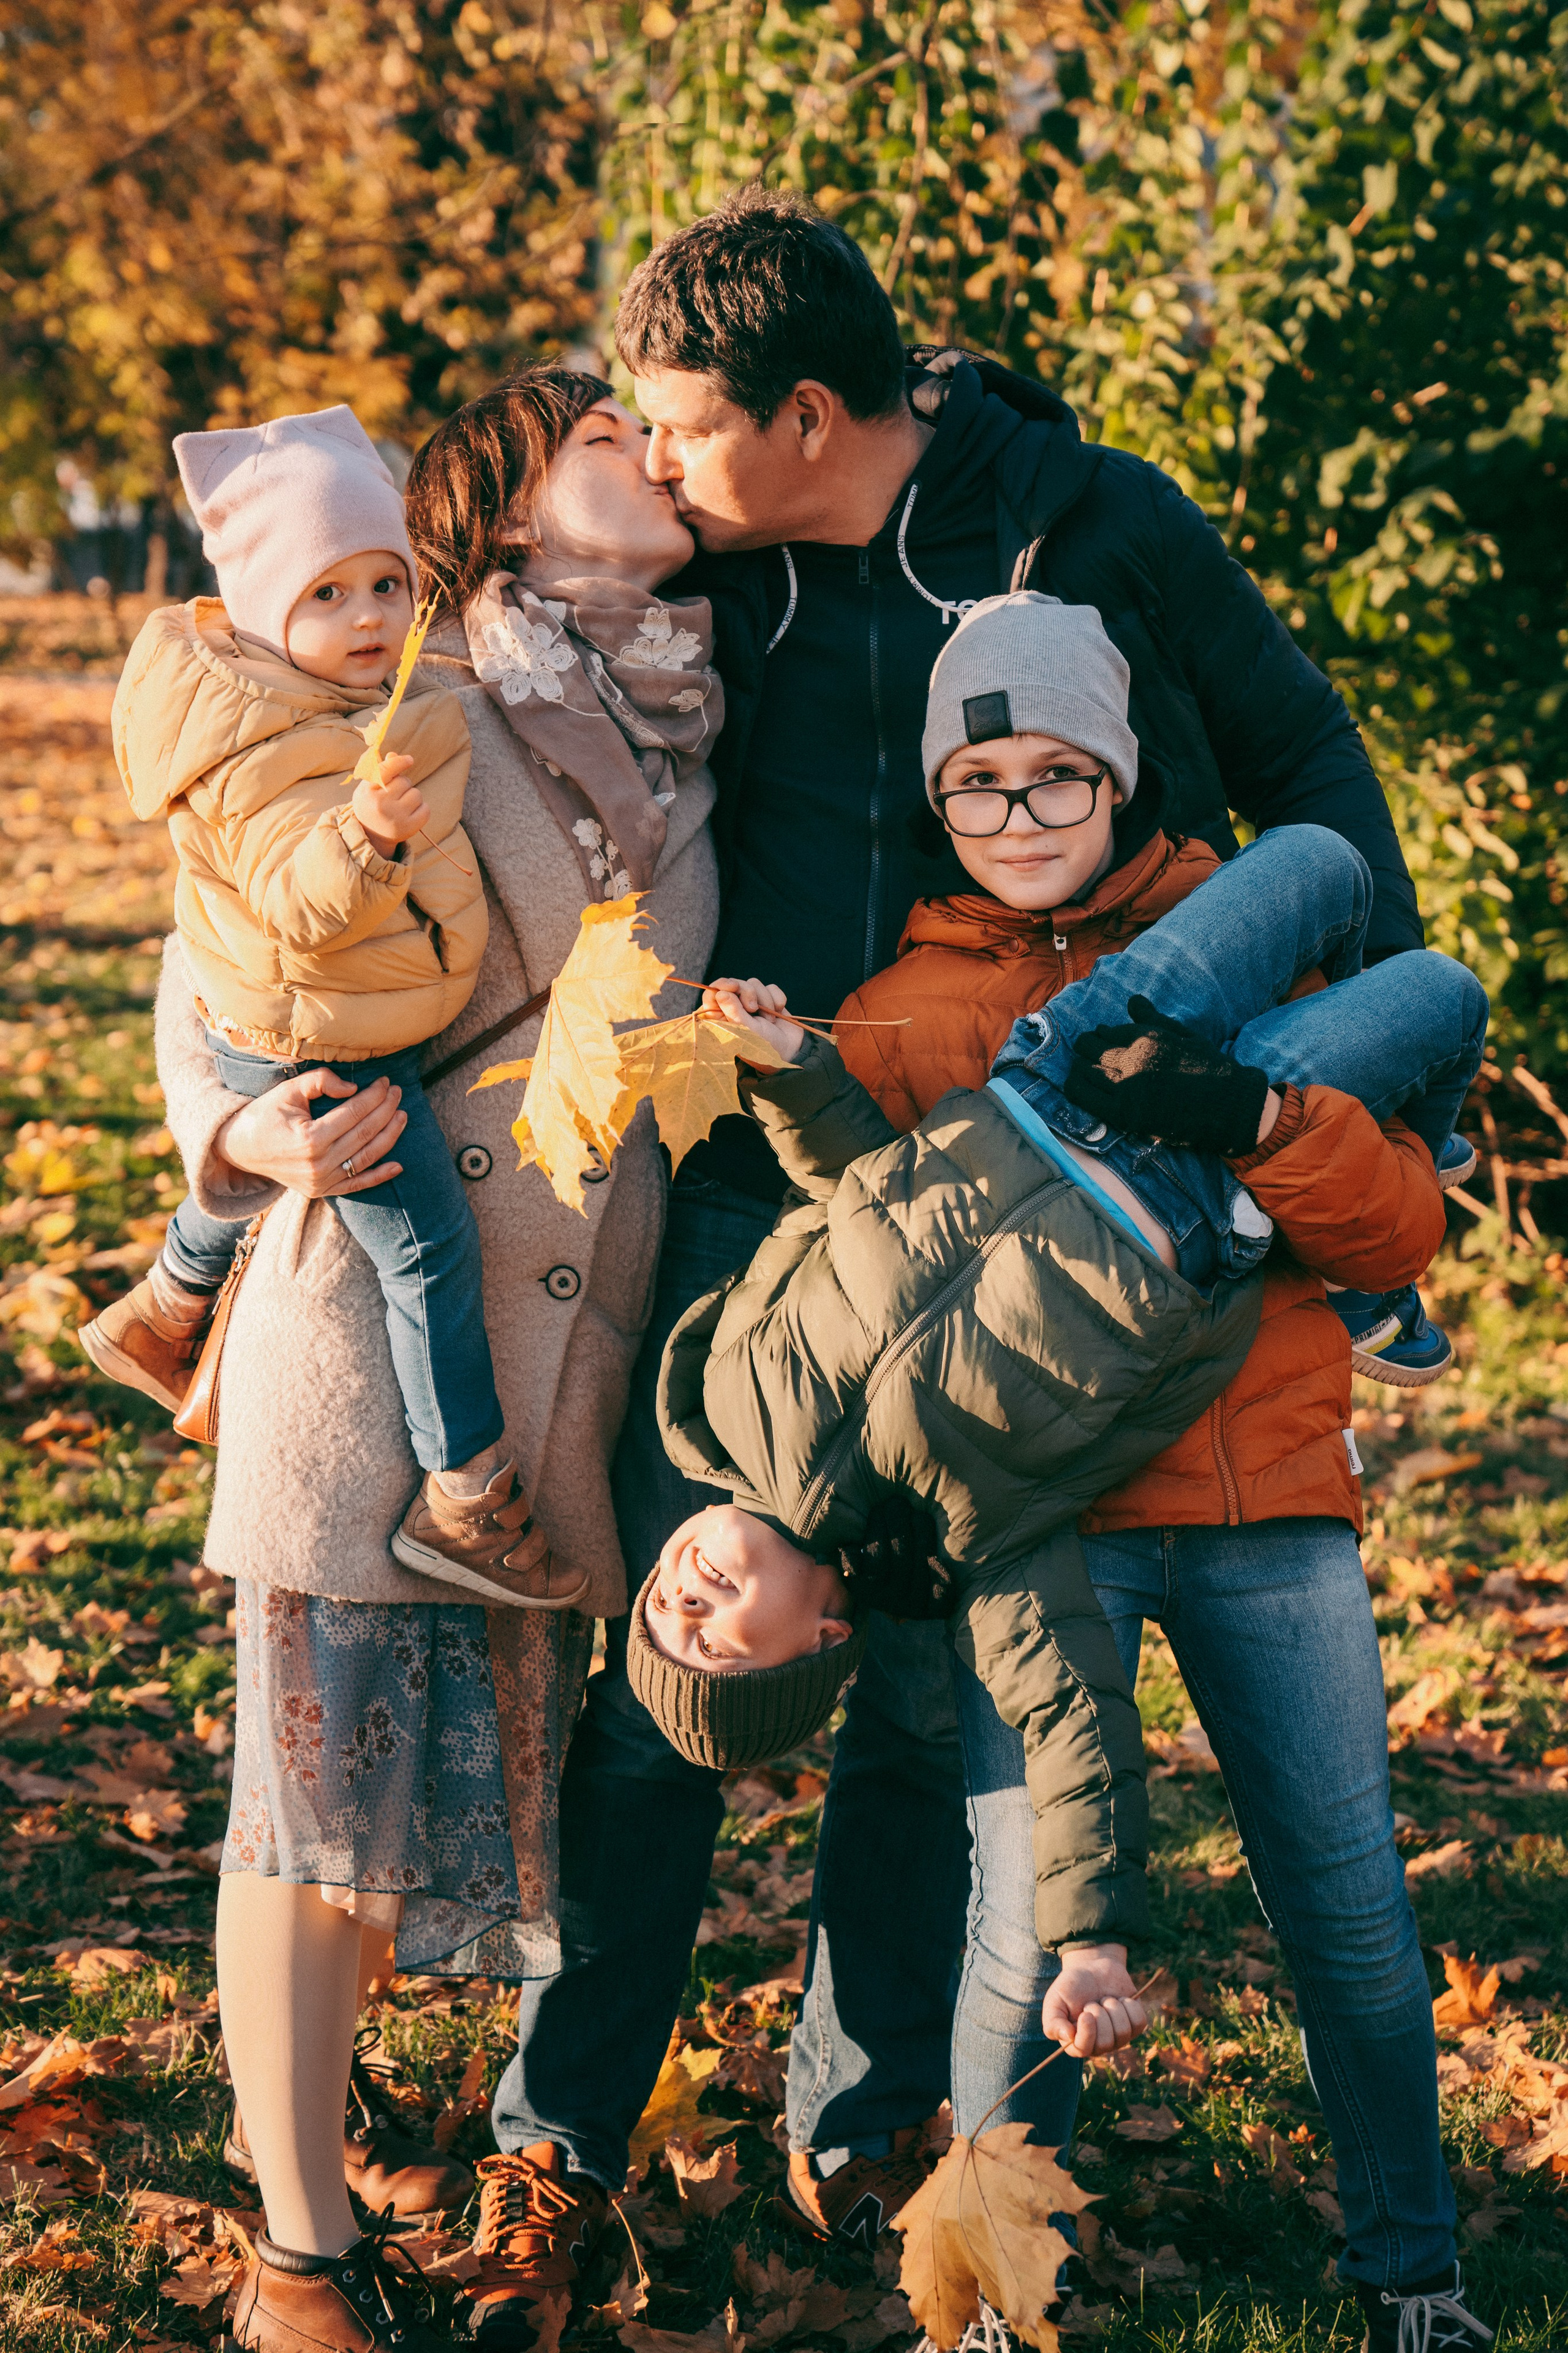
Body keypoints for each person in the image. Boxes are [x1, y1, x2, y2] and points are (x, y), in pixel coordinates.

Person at [486, 183, 1438, 2333]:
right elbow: (494, 610)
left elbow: (1311, 783)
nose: (650, 458)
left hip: (1025, 1201)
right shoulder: (699, 574)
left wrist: (1341, 1144)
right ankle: (560, 2132)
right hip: (773, 1185)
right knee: (669, 1689)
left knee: (922, 1705)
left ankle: (864, 2110)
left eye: (680, 424)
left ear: (808, 411)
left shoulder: (1086, 521)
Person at [696, 593, 1488, 2349]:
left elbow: (1397, 1188)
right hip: (1067, 1508)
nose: (1029, 814)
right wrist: (799, 1080)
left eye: (1067, 775)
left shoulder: (1225, 938)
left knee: (1350, 1911)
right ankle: (985, 2291)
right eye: (983, 785)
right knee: (1019, 1940)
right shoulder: (904, 1010)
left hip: (1272, 1490)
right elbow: (870, 1206)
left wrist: (1268, 1127)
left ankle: (1413, 2272)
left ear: (1122, 779)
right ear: (939, 802)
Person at [148, 368, 719, 2353]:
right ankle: (292, 2257)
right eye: (600, 440)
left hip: (545, 1371)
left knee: (386, 1848)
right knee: (310, 1828)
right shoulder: (413, 678)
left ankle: (325, 2153)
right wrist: (235, 1136)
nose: (652, 460)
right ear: (498, 499)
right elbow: (207, 932)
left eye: (662, 445)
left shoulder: (681, 708)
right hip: (370, 1332)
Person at [81, 404, 558, 1599]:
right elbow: (305, 903)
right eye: (327, 596)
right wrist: (372, 834)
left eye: (385, 586)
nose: (368, 621)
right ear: (258, 613)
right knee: (428, 1254)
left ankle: (166, 1297)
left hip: (307, 1021)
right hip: (332, 1043)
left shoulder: (306, 706)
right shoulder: (271, 749)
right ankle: (466, 1490)